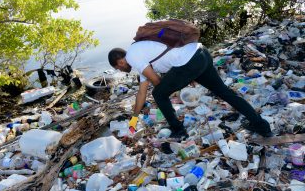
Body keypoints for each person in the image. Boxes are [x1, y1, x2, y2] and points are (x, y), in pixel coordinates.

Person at [108, 40, 273, 139]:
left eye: (118, 68)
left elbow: (157, 81)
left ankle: (178, 130)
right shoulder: (139, 53)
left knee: (158, 94)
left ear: (120, 63)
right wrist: (134, 118)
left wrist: (177, 87)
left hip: (189, 63)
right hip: (200, 53)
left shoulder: (133, 57)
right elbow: (141, 93)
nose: (121, 70)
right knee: (224, 92)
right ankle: (262, 127)